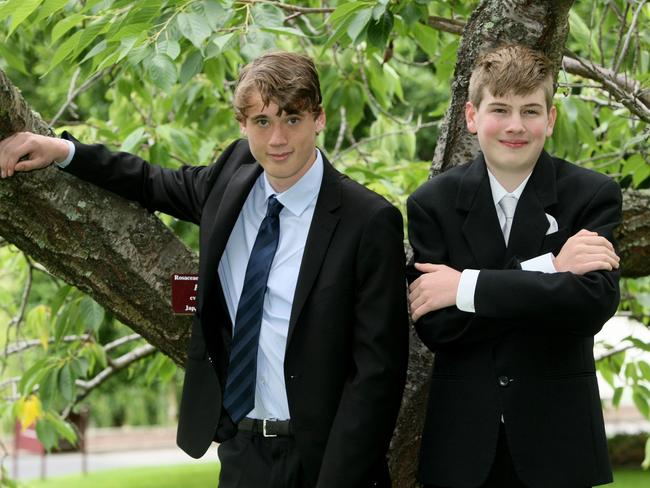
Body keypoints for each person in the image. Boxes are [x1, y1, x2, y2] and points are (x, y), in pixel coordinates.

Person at [0, 51, 409, 488]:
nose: (277, 139)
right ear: (242, 125)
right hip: (241, 454)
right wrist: (62, 150)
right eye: (262, 121)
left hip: (326, 460)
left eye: (292, 119)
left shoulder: (368, 221)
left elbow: (378, 374)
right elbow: (149, 181)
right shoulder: (232, 178)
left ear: (319, 119)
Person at [407, 44, 621, 488]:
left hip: (560, 444)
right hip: (461, 448)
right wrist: (551, 272)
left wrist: (465, 288)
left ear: (551, 119)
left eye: (530, 111)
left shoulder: (592, 194)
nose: (515, 126)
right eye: (500, 109)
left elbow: (589, 308)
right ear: (471, 116)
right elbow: (438, 326)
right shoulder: (433, 204)